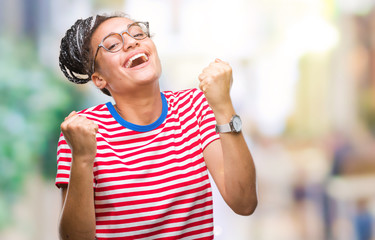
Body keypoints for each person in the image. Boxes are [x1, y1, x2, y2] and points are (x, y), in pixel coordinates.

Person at [56, 12, 257, 240]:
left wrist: (223, 106)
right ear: (99, 79)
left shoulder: (194, 107)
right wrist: (82, 158)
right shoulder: (83, 131)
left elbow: (244, 203)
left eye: (138, 34)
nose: (132, 42)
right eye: (112, 44)